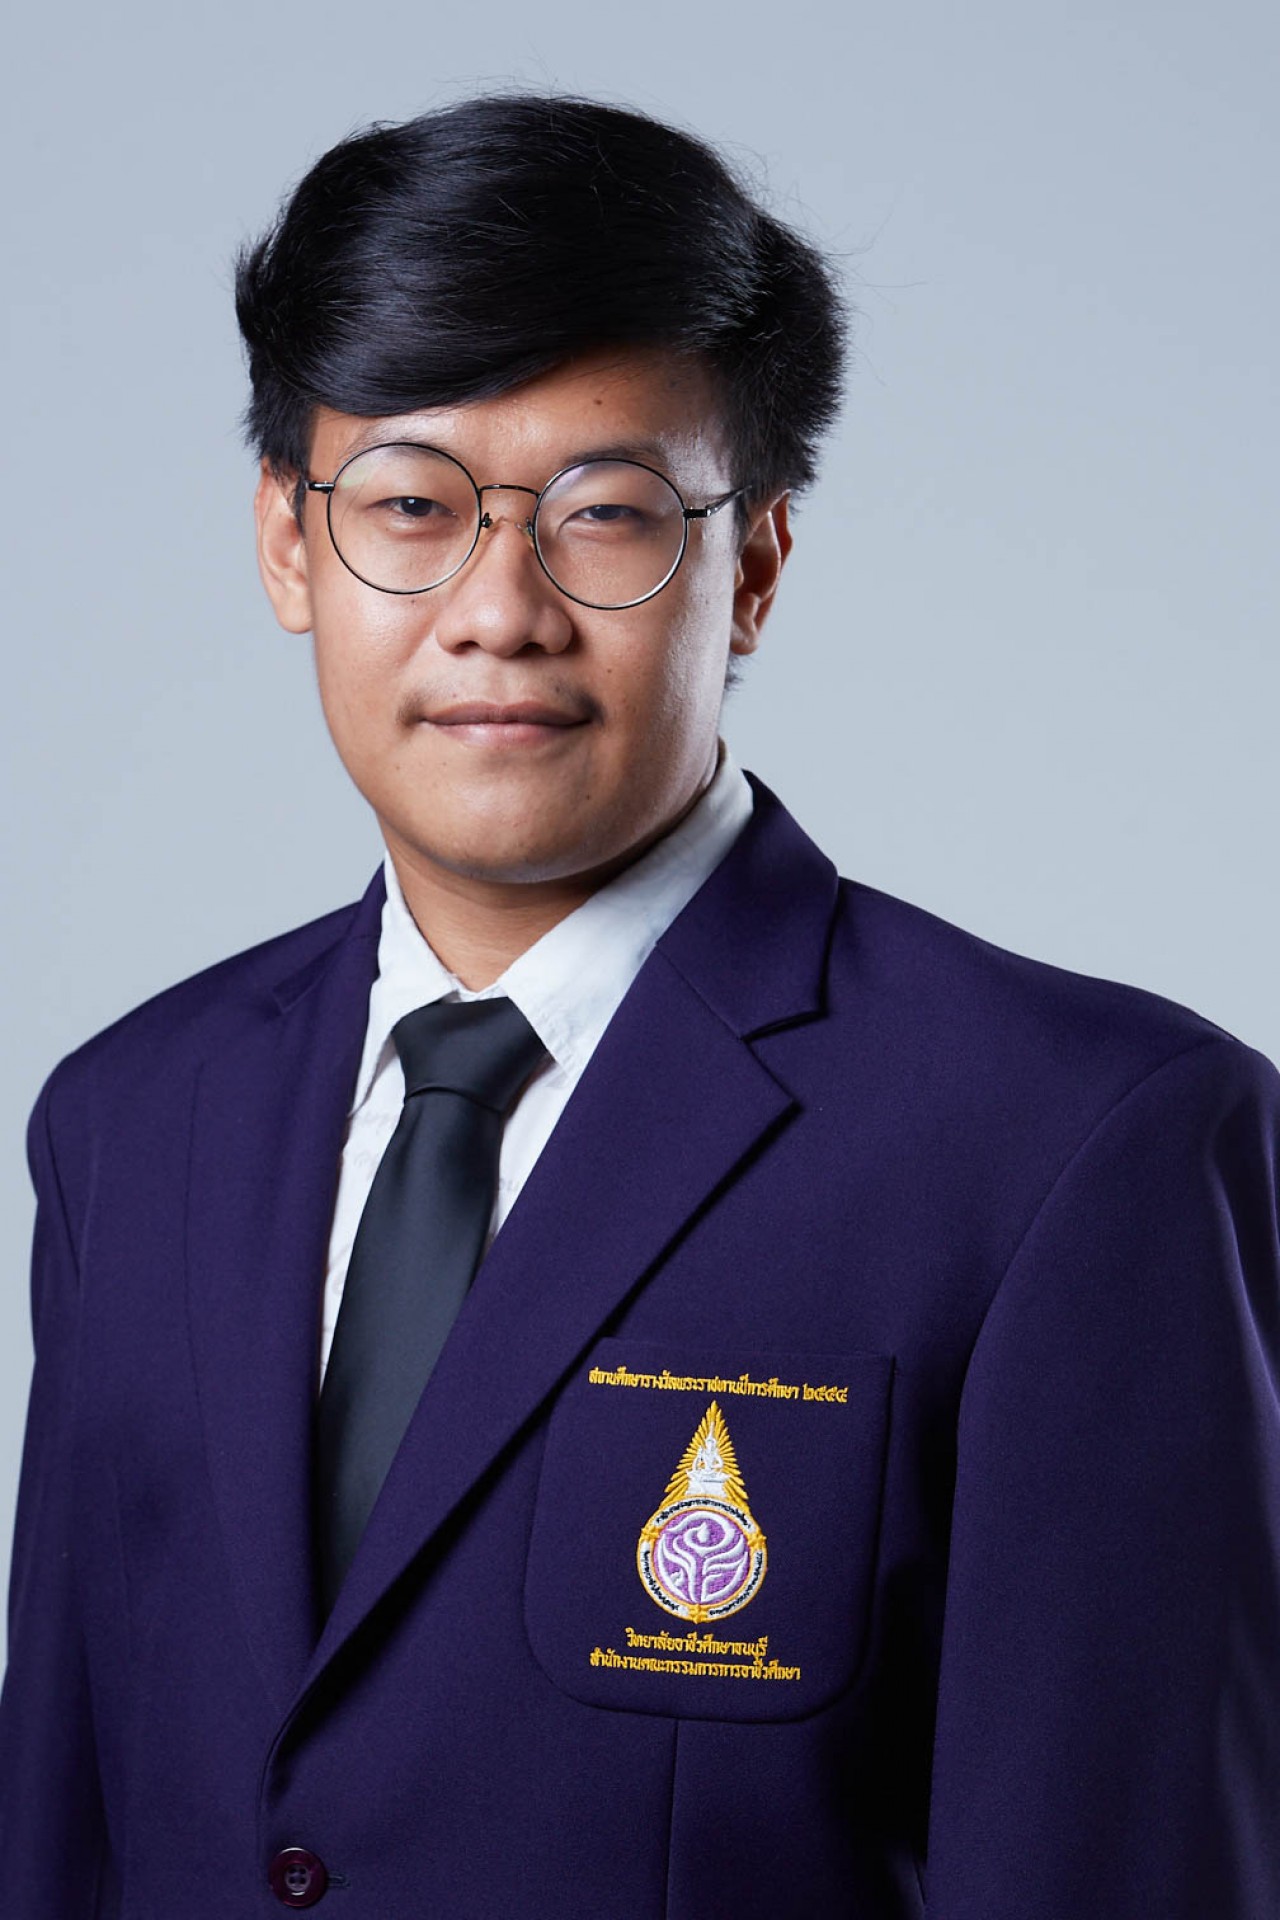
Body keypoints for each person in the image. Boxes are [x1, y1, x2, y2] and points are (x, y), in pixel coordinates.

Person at [1, 92, 1277, 1920]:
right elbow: (61, 1834)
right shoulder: (132, 1121)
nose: (497, 611)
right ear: (288, 541)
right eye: (411, 507)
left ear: (751, 565)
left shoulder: (1077, 1149)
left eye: (605, 516)